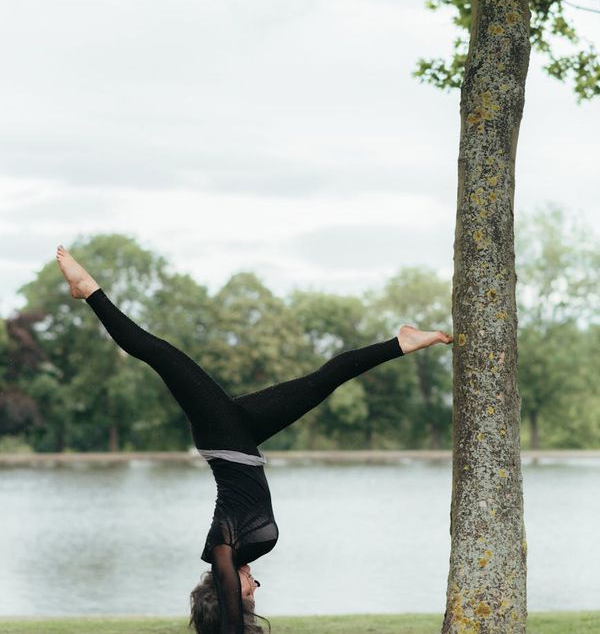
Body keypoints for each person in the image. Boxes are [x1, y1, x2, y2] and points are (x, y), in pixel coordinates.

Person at [56, 244, 453, 633]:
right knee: (321, 382)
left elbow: (232, 620)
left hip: (221, 436)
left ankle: (88, 289)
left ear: (225, 591)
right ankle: (403, 342)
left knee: (159, 353)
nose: (254, 587)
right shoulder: (240, 552)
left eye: (250, 592)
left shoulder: (222, 552)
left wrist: (234, 614)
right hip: (242, 436)